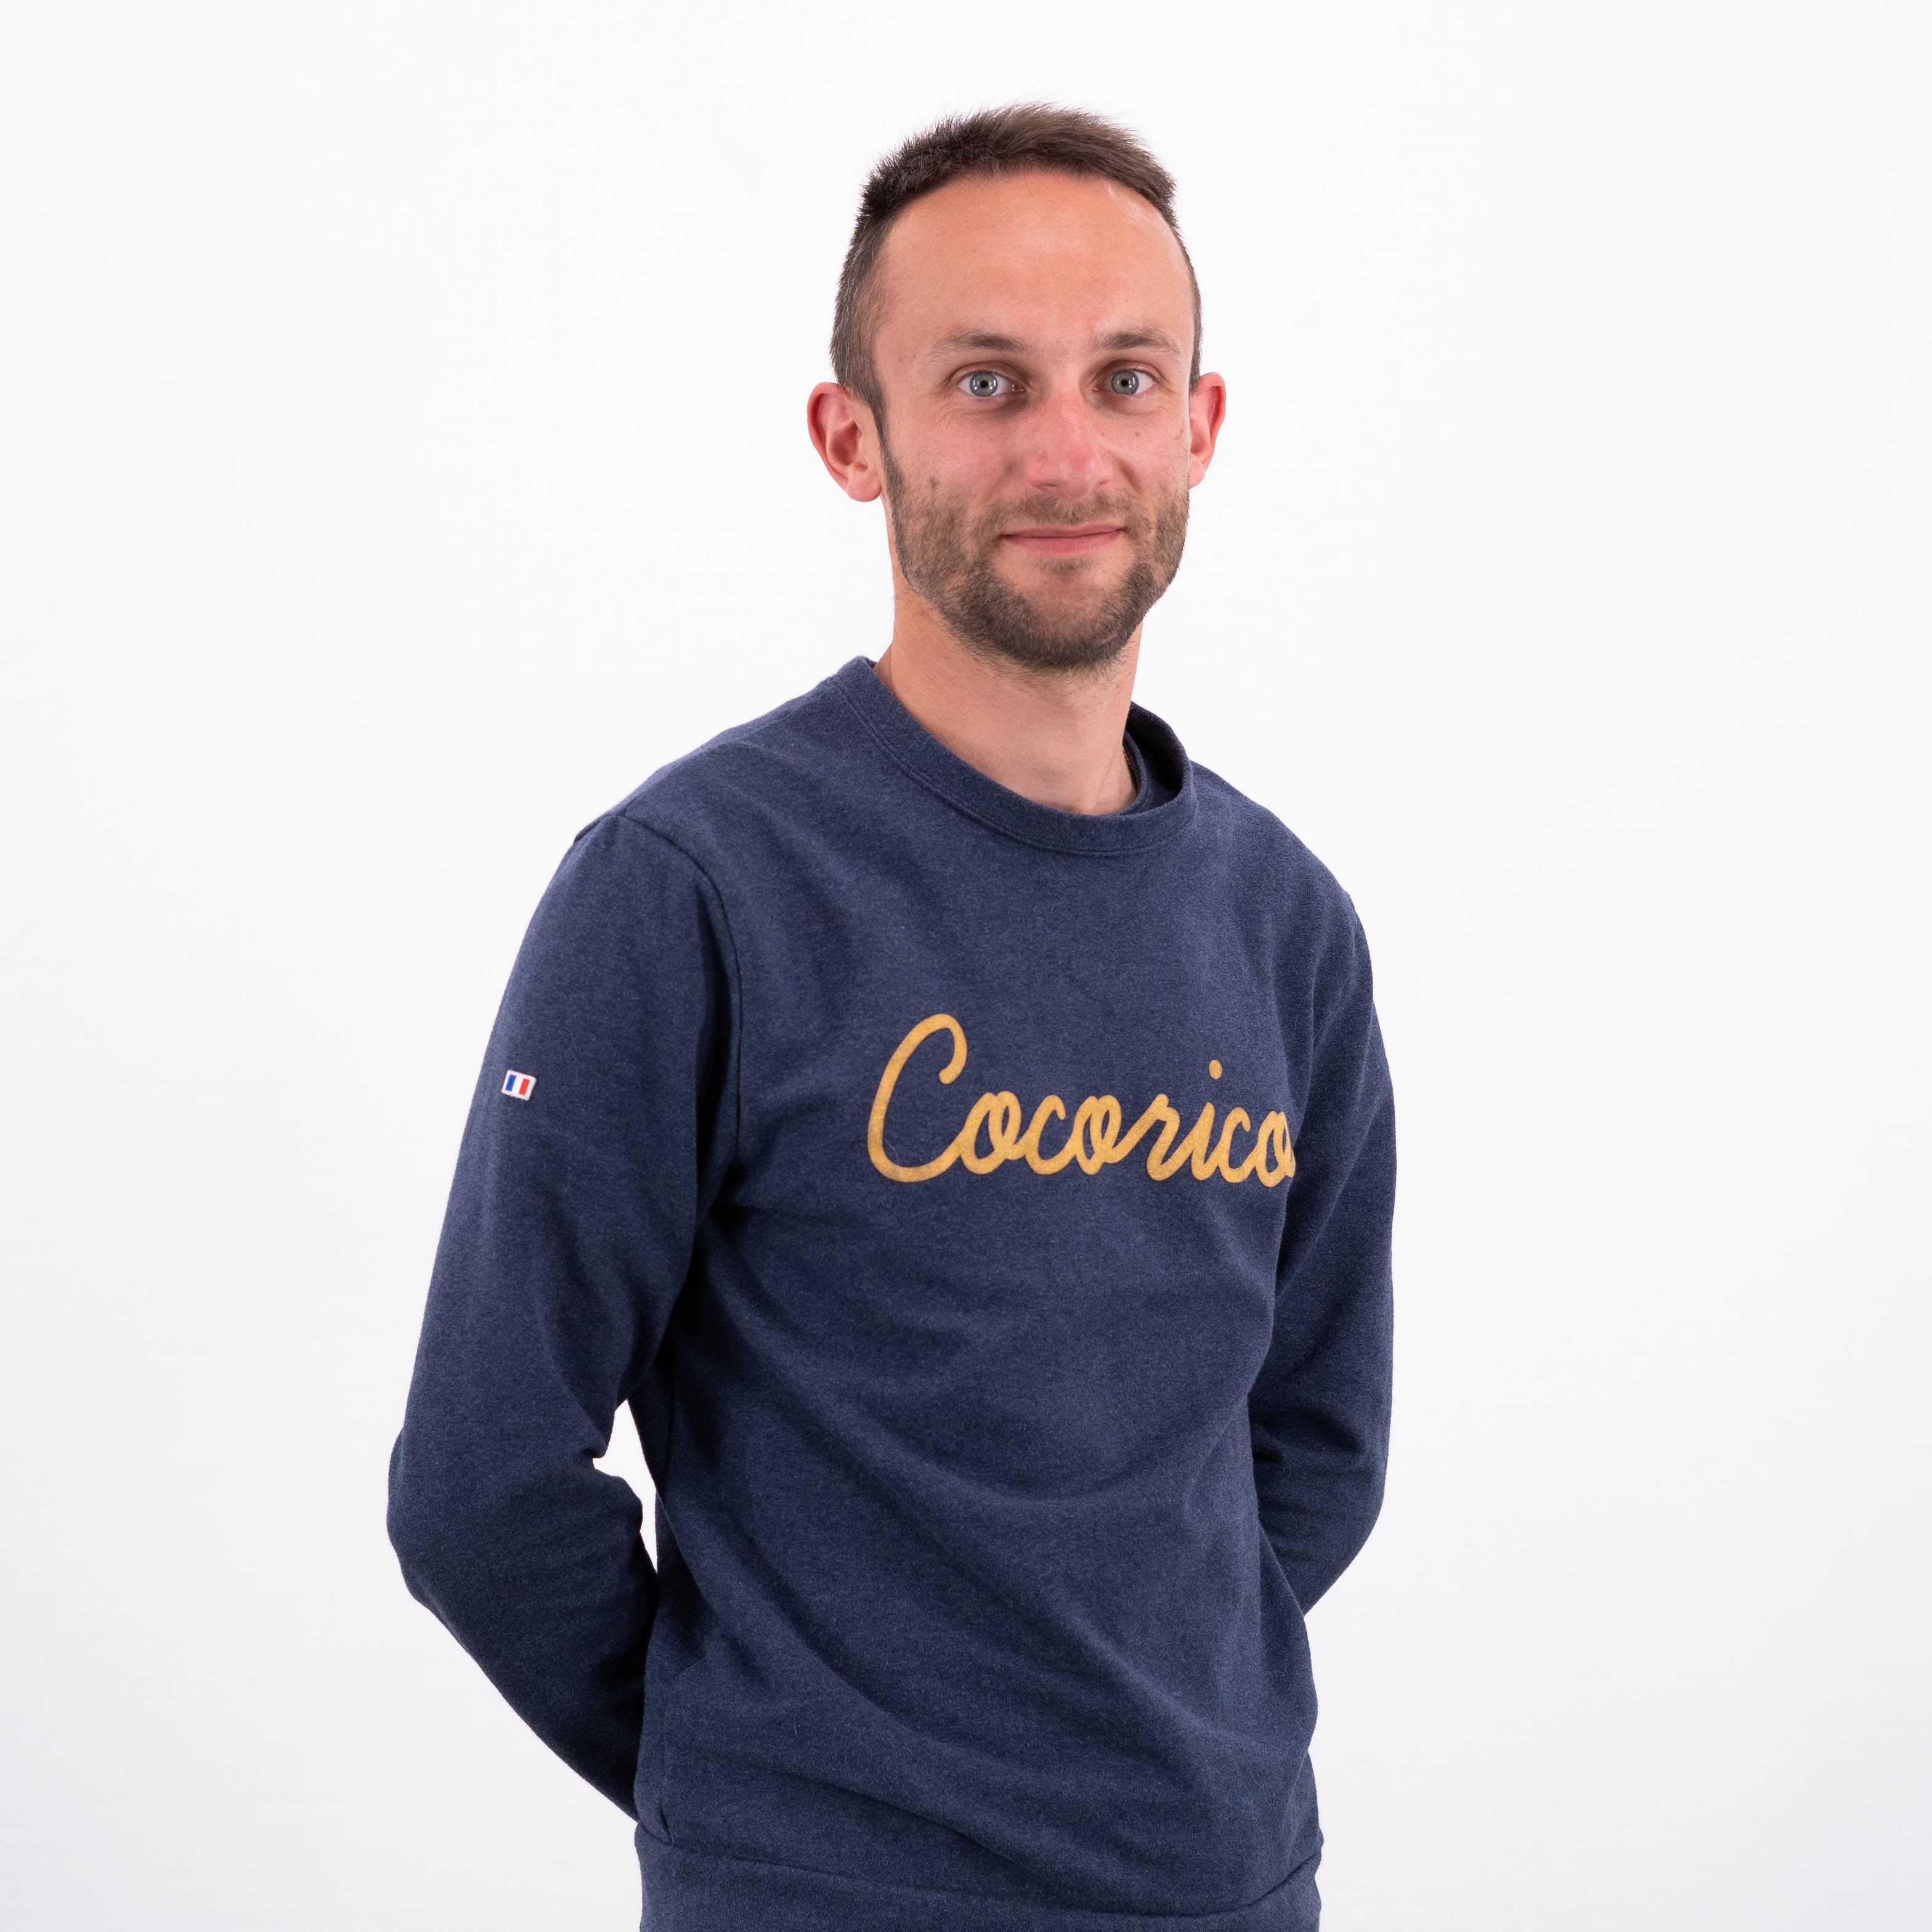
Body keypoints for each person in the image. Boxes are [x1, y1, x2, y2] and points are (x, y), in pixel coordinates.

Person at [388, 104, 1396, 1932]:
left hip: (1231, 1888)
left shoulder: (1286, 923)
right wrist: (767, 1788)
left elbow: (1314, 1448)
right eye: (987, 384)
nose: (1069, 450)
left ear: (1200, 426)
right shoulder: (689, 888)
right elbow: (479, 1483)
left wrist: (1161, 1733)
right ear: (851, 437)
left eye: (1124, 379)